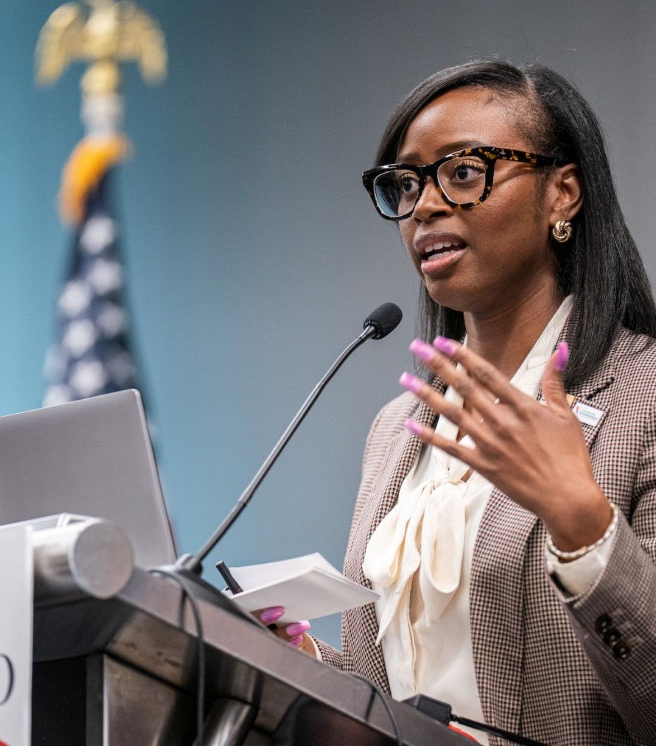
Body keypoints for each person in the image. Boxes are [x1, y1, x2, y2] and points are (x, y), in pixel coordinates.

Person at [258, 61, 656, 745]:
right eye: (405, 183)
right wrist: (305, 667)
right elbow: (404, 690)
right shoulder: (397, 430)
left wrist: (583, 525)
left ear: (562, 193)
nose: (423, 206)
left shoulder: (643, 400)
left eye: (463, 172)